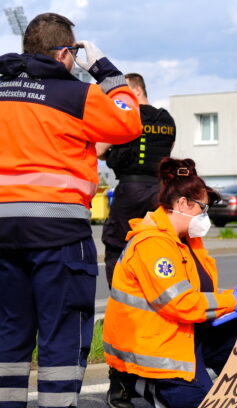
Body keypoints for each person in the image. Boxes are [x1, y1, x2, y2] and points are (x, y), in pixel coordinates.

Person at [0, 12, 142, 408]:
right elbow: (129, 123)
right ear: (66, 53)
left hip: (5, 233)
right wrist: (106, 71)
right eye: (75, 52)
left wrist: (1, 210)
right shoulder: (76, 94)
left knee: (8, 328)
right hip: (60, 232)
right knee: (62, 329)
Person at [102, 157, 237, 408]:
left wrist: (232, 294)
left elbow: (196, 295)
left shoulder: (187, 240)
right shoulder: (153, 245)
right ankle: (138, 381)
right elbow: (180, 304)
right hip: (154, 345)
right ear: (182, 204)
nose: (205, 217)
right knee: (201, 406)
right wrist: (232, 303)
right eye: (203, 209)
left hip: (183, 332)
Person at [97, 73, 176, 287]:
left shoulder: (127, 116)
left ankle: (120, 300)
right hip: (160, 191)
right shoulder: (167, 119)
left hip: (131, 191)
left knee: (116, 244)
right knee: (156, 244)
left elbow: (99, 149)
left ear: (138, 90)